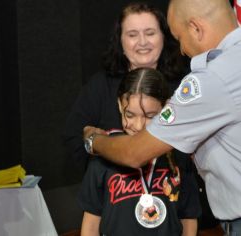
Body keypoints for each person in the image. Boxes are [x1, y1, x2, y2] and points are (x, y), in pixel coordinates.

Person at [83, 0, 241, 235]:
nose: (182, 50)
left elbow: (134, 153)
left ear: (196, 28)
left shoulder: (214, 78)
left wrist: (94, 140)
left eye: (179, 39)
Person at [64, 1, 218, 233]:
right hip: (118, 212)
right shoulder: (99, 86)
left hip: (175, 206)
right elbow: (76, 139)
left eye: (150, 33)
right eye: (133, 34)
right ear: (121, 41)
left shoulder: (188, 85)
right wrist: (106, 161)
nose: (143, 42)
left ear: (164, 37)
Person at [78, 67, 201, 236]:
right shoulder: (103, 156)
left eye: (150, 116)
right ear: (120, 105)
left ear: (165, 107)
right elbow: (91, 223)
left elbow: (188, 218)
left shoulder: (179, 155)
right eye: (130, 115)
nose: (138, 126)